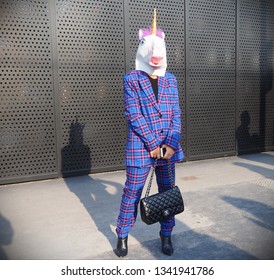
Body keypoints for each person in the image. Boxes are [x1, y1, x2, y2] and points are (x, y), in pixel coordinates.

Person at [115, 9, 184, 257]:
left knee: (167, 191)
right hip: (142, 146)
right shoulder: (131, 79)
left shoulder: (171, 80)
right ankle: (122, 234)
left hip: (167, 147)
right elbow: (133, 114)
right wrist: (153, 144)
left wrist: (172, 144)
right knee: (132, 192)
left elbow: (176, 113)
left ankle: (166, 234)